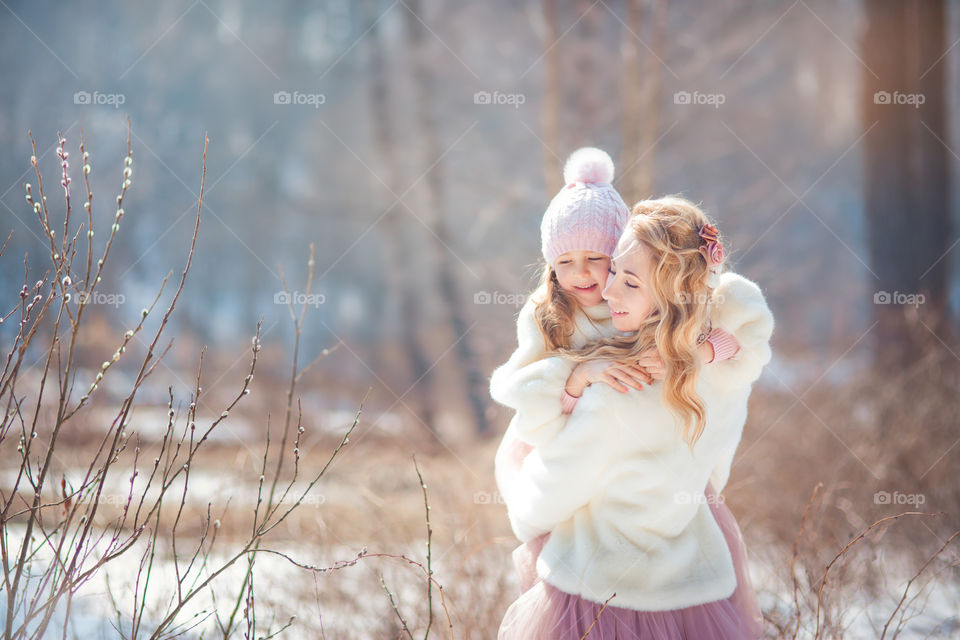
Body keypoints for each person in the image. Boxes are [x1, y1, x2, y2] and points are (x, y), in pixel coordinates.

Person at [495, 195, 773, 639]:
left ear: (672, 291)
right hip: (694, 578)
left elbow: (549, 496)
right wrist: (698, 351)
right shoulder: (720, 374)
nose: (606, 291)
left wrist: (523, 509)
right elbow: (748, 333)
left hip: (601, 594)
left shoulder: (616, 395)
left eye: (627, 280)